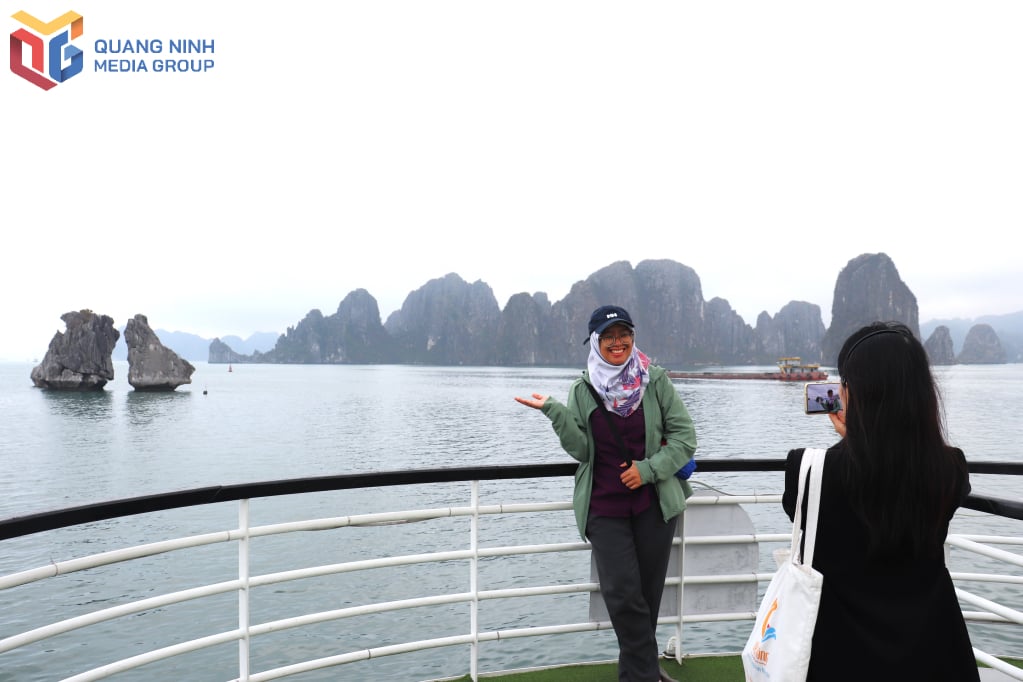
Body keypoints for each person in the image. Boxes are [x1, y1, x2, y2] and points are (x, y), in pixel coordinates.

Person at [783, 321, 978, 681]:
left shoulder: (807, 470)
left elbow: (808, 511)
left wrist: (850, 438)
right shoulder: (951, 469)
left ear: (853, 393)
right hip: (933, 654)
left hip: (838, 656)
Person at [515, 305, 697, 682]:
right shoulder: (583, 390)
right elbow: (582, 450)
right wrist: (553, 411)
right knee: (622, 595)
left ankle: (641, 671)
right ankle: (644, 675)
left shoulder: (655, 380)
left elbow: (685, 439)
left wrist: (646, 471)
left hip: (653, 506)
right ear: (596, 342)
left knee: (647, 597)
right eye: (608, 336)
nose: (618, 342)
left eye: (623, 334)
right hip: (604, 508)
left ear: (633, 336)